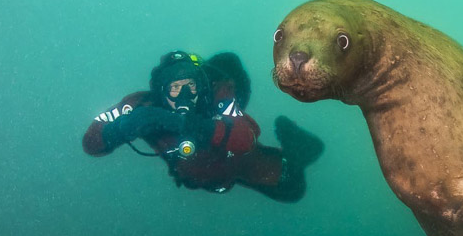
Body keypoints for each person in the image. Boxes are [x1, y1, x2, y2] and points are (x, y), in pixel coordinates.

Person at [82, 50, 323, 202]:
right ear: (160, 90)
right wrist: (124, 127)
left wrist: (191, 124)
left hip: (230, 163)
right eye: (175, 88)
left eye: (191, 86)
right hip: (200, 172)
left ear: (201, 85)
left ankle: (301, 151)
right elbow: (91, 143)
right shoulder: (139, 104)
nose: (185, 95)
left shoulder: (219, 98)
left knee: (292, 188)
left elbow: (246, 137)